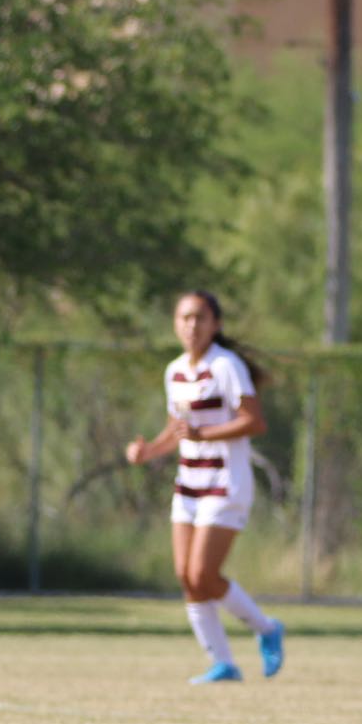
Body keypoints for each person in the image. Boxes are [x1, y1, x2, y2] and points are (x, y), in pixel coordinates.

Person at [126, 290, 287, 685]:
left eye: (200, 318)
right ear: (174, 324)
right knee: (187, 576)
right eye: (184, 318)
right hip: (189, 484)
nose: (191, 326)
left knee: (203, 572)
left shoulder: (226, 366)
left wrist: (206, 432)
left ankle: (266, 628)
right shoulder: (175, 370)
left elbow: (254, 421)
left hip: (225, 484)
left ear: (216, 324)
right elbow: (177, 429)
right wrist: (148, 451)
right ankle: (223, 664)